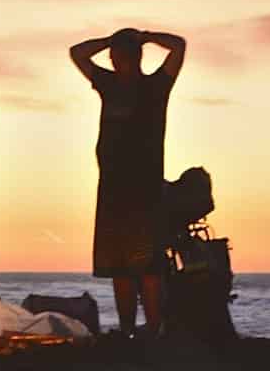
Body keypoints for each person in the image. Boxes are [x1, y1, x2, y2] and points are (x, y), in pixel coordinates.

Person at [69, 27, 186, 334]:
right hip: (111, 191)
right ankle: (126, 328)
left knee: (149, 268)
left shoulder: (155, 86)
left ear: (132, 57)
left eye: (118, 55)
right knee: (118, 268)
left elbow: (178, 47)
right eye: (113, 55)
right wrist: (109, 39)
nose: (113, 60)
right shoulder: (108, 84)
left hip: (145, 191)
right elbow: (77, 53)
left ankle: (153, 328)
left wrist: (146, 36)